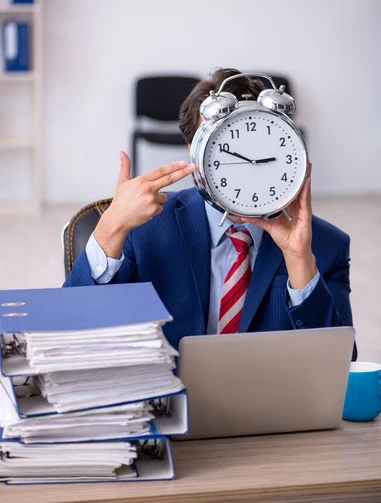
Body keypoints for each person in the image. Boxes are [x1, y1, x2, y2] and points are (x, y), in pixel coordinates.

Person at [64, 68, 356, 359]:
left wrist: (299, 260)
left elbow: (341, 367)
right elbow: (72, 332)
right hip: (170, 400)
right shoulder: (145, 228)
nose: (249, 166)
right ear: (193, 150)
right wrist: (111, 227)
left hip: (269, 403)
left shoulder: (326, 246)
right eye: (222, 145)